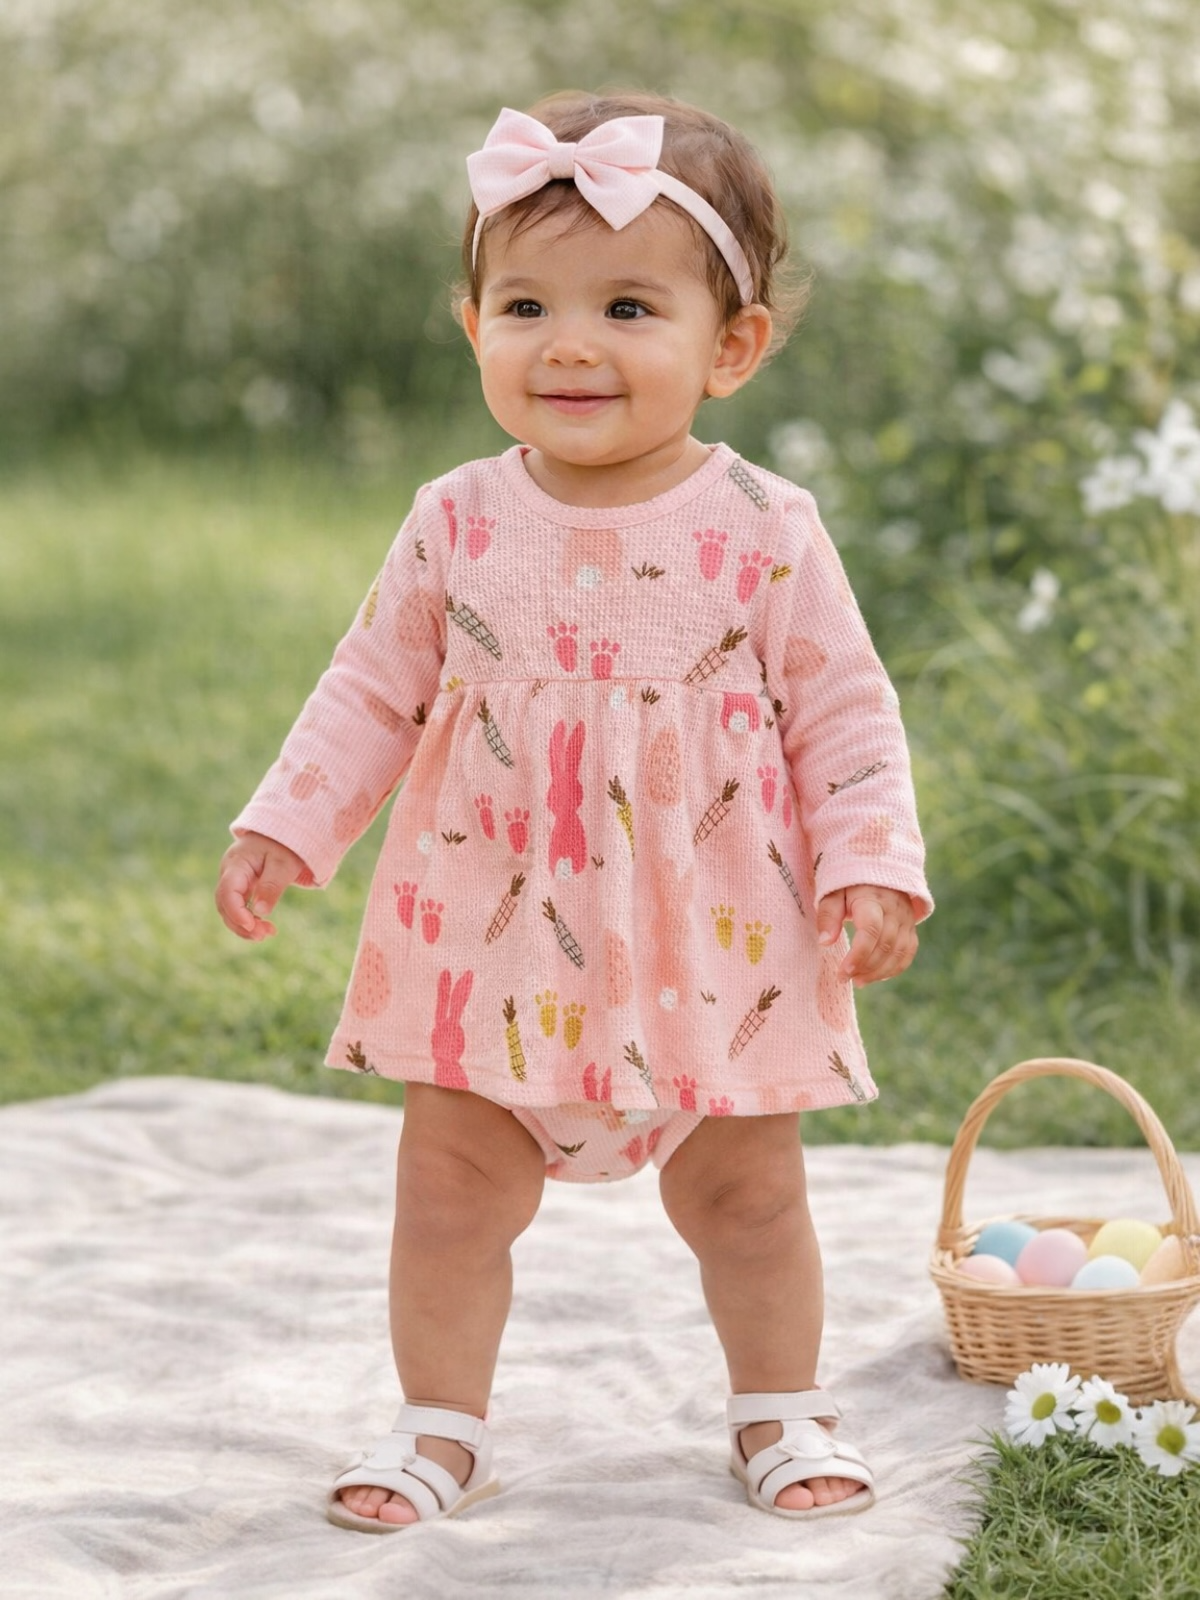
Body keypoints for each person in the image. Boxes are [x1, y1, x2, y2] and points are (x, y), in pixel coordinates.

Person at [215, 89, 933, 1530]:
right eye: (527, 302)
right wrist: (289, 819)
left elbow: (845, 706)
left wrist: (868, 863)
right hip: (489, 932)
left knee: (745, 1199)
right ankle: (437, 1426)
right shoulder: (458, 519)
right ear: (474, 324)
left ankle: (779, 1409)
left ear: (731, 348)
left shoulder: (763, 528)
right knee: (449, 1193)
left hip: (719, 939)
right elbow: (371, 687)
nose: (572, 343)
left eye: (625, 306)